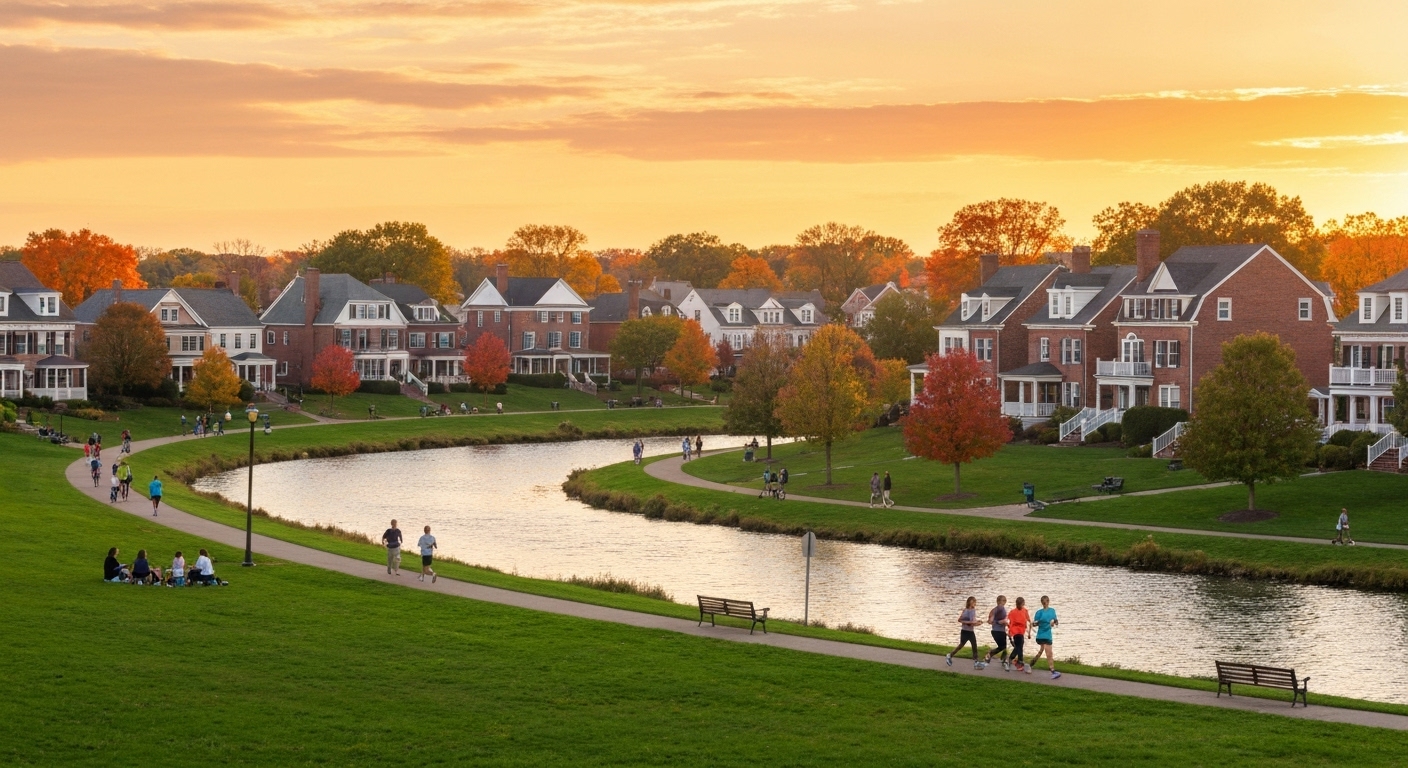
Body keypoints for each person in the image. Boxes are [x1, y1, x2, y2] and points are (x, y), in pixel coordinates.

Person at [945, 596, 983, 667]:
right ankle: (950, 655)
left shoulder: (972, 610)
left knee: (974, 645)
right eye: (973, 602)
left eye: (975, 602)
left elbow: (972, 622)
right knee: (961, 645)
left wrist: (977, 622)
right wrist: (972, 622)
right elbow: (960, 620)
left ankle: (976, 661)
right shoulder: (966, 610)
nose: (975, 603)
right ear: (969, 602)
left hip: (970, 631)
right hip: (965, 631)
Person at [1031, 595, 1061, 679]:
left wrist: (1053, 622)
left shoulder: (1052, 611)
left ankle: (1031, 664)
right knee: (1049, 653)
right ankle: (1053, 671)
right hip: (1043, 635)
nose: (1045, 603)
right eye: (1044, 602)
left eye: (1046, 602)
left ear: (1048, 602)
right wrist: (1036, 623)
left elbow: (1056, 622)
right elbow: (1034, 624)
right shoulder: (1039, 612)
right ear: (1042, 603)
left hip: (1046, 635)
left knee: (1041, 650)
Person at [980, 595, 1010, 671]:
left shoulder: (998, 609)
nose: (1004, 602)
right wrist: (999, 621)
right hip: (997, 631)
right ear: (998, 601)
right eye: (1003, 601)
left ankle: (1003, 660)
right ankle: (990, 654)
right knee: (1002, 647)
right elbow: (991, 619)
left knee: (1004, 647)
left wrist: (1004, 623)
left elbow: (992, 620)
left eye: (1004, 601)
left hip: (1000, 631)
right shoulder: (999, 608)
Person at [1007, 597, 1030, 672]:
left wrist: (1029, 632)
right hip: (1015, 631)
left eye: (1021, 605)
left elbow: (1028, 620)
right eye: (1018, 605)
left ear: (1023, 604)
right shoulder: (1013, 612)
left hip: (1022, 631)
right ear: (1016, 604)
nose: (1020, 606)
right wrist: (1009, 632)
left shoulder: (1025, 611)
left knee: (1019, 646)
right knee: (1020, 646)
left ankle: (1011, 658)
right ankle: (1020, 661)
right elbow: (1010, 622)